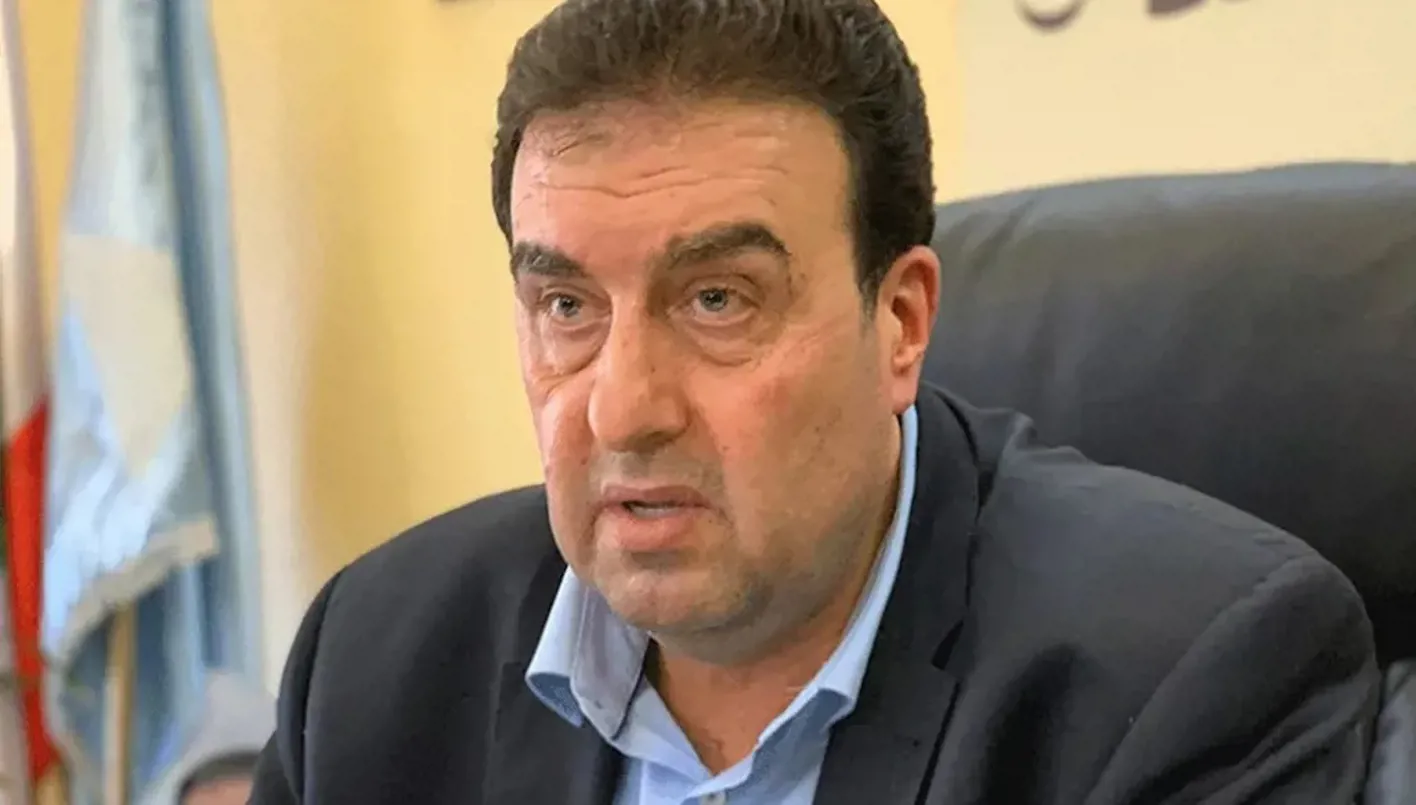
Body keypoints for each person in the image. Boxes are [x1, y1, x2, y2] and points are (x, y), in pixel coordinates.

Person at [249, 1, 1379, 803]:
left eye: (717, 299)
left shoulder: (1183, 679)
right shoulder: (374, 663)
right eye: (566, 306)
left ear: (901, 323)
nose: (621, 411)